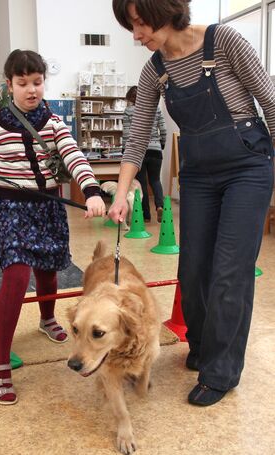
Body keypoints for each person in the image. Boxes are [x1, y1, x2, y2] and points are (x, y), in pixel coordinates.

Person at [110, 0, 274, 406]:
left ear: (165, 9)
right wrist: (121, 193)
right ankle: (200, 348)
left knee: (229, 273)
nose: (137, 36)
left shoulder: (224, 42)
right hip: (199, 174)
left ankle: (221, 372)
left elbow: (271, 103)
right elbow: (138, 136)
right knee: (193, 269)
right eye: (130, 28)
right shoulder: (155, 71)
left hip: (248, 168)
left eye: (140, 23)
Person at [0, 49, 105, 405]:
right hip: (10, 207)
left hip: (47, 206)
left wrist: (91, 191)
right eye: (23, 83)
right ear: (9, 85)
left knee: (48, 267)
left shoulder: (55, 124)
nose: (31, 89)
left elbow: (74, 156)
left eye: (38, 82)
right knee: (16, 275)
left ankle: (46, 318)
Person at [122, 85, 167, 222]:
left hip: (138, 151)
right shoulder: (156, 110)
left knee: (141, 183)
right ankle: (160, 206)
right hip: (156, 150)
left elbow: (127, 134)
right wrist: (161, 144)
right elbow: (163, 129)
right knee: (155, 180)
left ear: (130, 98)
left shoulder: (129, 111)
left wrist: (125, 151)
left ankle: (145, 215)